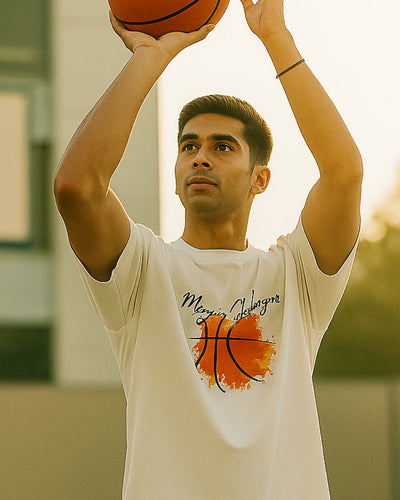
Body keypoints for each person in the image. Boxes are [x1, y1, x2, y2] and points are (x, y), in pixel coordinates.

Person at [54, 0, 363, 498]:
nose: (199, 158)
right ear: (176, 175)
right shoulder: (143, 270)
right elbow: (76, 187)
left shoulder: (296, 275)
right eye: (188, 146)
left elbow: (344, 172)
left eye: (222, 147)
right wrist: (149, 57)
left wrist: (274, 36)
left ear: (260, 178)